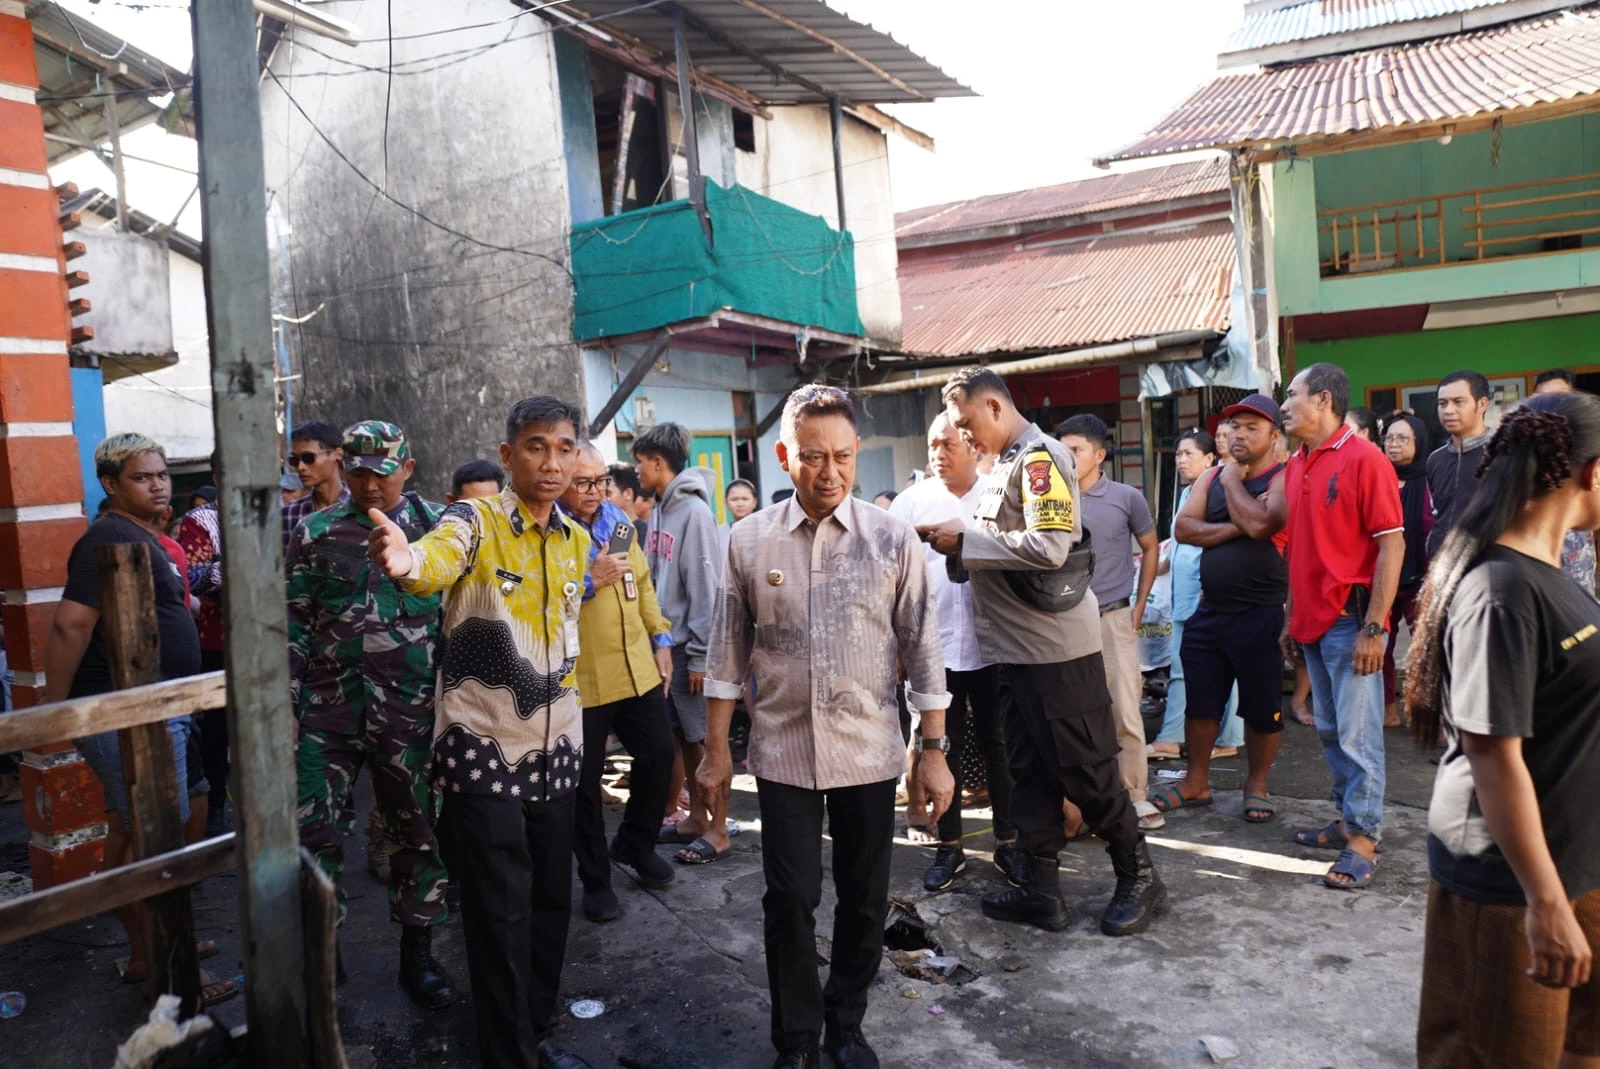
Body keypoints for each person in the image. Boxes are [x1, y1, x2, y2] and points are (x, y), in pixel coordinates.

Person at [698, 384, 953, 1069]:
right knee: (789, 899)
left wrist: (933, 751)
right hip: (782, 752)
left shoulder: (891, 538)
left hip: (869, 752)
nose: (830, 472)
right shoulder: (747, 540)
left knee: (865, 900)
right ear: (786, 455)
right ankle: (797, 1039)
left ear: (856, 453)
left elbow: (925, 648)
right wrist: (716, 750)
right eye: (813, 457)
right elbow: (724, 652)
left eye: (842, 456)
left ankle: (845, 1023)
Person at [367, 397, 594, 1069]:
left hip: (558, 753)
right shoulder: (474, 518)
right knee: (499, 916)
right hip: (481, 748)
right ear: (508, 454)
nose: (551, 461)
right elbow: (434, 560)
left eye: (562, 447)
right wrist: (407, 561)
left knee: (552, 904)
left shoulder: (576, 540)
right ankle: (510, 1055)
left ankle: (536, 1031)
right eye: (534, 446)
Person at [921, 368, 1165, 937]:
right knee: (1029, 777)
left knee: (1087, 772)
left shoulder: (1038, 458)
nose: (964, 436)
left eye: (967, 423)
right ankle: (1040, 890)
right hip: (1012, 652)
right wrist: (959, 545)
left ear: (995, 407)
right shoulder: (1005, 465)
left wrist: (965, 542)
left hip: (1056, 653)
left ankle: (1140, 875)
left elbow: (1050, 546)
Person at [1407, 392, 1600, 1069]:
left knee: (1579, 1045)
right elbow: (1493, 757)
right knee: (1492, 1053)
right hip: (1512, 881)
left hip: (1575, 861)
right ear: (1591, 475)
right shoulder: (1502, 591)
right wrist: (1545, 901)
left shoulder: (1558, 575)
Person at [45, 434, 235, 1007]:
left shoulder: (146, 537)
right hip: (126, 710)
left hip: (166, 706)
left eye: (160, 474)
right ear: (110, 485)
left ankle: (143, 950)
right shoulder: (106, 538)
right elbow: (70, 626)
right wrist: (57, 710)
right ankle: (169, 967)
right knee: (156, 839)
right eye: (140, 477)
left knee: (147, 828)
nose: (157, 484)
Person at [287, 421, 454, 1010]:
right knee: (312, 834)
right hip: (328, 709)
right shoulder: (315, 531)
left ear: (407, 467)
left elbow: (462, 619)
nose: (368, 484)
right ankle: (322, 958)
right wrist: (286, 700)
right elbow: (295, 618)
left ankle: (419, 957)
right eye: (356, 471)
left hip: (409, 710)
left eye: (381, 473)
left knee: (416, 832)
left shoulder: (440, 528)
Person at [1268, 364, 1405, 890]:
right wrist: (1289, 617)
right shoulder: (1297, 463)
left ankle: (1365, 838)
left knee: (1358, 732)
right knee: (1329, 729)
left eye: (1292, 395)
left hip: (1353, 618)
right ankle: (1348, 818)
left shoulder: (1365, 459)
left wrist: (1375, 627)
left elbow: (1392, 545)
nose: (1284, 404)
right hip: (1309, 619)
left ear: (1323, 400)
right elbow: (1301, 553)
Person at [890, 414, 1026, 892]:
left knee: (1000, 745)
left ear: (971, 446)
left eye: (948, 443)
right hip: (934, 649)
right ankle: (949, 849)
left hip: (994, 645)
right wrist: (898, 646)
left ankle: (1009, 844)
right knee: (940, 747)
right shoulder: (909, 504)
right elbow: (893, 579)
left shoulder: (998, 495)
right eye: (932, 445)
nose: (938, 453)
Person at [557, 444, 676, 923]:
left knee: (659, 755)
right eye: (582, 482)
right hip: (583, 677)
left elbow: (641, 586)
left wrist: (661, 637)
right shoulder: (552, 531)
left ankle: (634, 843)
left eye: (600, 480)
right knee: (583, 785)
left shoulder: (620, 524)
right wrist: (590, 580)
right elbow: (539, 596)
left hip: (636, 666)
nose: (594, 491)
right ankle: (596, 879)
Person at [1158, 396, 1289, 823]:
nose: (1239, 434)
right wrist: (1241, 526)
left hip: (1262, 612)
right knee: (1201, 702)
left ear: (1274, 435)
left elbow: (1266, 524)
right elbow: (1183, 528)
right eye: (1234, 427)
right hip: (1209, 610)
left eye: (1252, 427)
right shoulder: (1208, 477)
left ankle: (1258, 785)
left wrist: (1235, 484)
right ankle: (1196, 782)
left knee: (1262, 705)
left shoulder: (1284, 476)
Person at [1055, 413, 1162, 830]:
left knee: (1123, 711)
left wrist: (1139, 605)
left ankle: (1135, 795)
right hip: (1062, 621)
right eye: (1061, 450)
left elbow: (1150, 547)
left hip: (1112, 616)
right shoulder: (1050, 500)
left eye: (1075, 450)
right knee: (1070, 715)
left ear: (1099, 455)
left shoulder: (1125, 497)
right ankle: (1078, 802)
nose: (1066, 457)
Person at [632, 423, 727, 864]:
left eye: (639, 462)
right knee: (685, 740)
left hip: (693, 651)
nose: (635, 470)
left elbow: (706, 589)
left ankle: (721, 828)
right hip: (668, 649)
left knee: (709, 742)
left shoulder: (694, 514)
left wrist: (700, 656)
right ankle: (697, 819)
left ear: (657, 462)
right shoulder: (659, 511)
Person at [1148, 429, 1244, 760]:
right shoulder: (1189, 492)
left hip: (1206, 595)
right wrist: (1160, 564)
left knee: (1212, 670)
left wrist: (1209, 585)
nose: (1182, 460)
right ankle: (1176, 737)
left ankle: (1223, 738)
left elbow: (1218, 542)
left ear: (1209, 459)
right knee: (1184, 669)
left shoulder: (1216, 491)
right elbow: (1182, 543)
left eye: (1190, 454)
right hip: (1184, 596)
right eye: (1178, 454)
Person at [178, 466, 229, 836]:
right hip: (220, 639)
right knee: (217, 732)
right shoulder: (200, 520)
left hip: (278, 636)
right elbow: (190, 579)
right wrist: (236, 569)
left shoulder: (285, 511)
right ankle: (215, 811)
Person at [1380, 414, 1434, 728]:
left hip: (1420, 579)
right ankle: (1388, 707)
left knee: (1424, 650)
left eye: (1403, 439)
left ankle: (1427, 713)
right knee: (1380, 645)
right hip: (1382, 576)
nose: (1395, 444)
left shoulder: (1430, 478)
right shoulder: (1377, 476)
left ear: (1419, 443)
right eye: (1390, 438)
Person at [1533, 371, 1599, 601]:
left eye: (1562, 398)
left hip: (1579, 559)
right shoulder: (1524, 454)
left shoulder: (1589, 449)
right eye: (1546, 399)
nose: (1556, 408)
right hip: (1537, 563)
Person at [1427, 369, 1493, 556]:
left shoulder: (1504, 453)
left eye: (1458, 402)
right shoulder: (1435, 460)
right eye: (1442, 403)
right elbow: (1437, 514)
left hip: (1489, 570)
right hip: (1442, 569)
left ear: (1482, 404)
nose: (1448, 410)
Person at [282, 420, 349, 556]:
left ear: (337, 455)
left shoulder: (365, 508)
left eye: (308, 458)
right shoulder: (287, 515)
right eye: (294, 460)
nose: (300, 467)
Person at [606, 462, 651, 547]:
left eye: (608, 493)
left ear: (627, 493)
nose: (603, 499)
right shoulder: (603, 529)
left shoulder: (644, 533)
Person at [721, 477, 759, 559]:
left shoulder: (764, 531)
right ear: (726, 503)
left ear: (754, 502)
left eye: (745, 499)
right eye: (734, 499)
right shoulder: (719, 534)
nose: (740, 504)